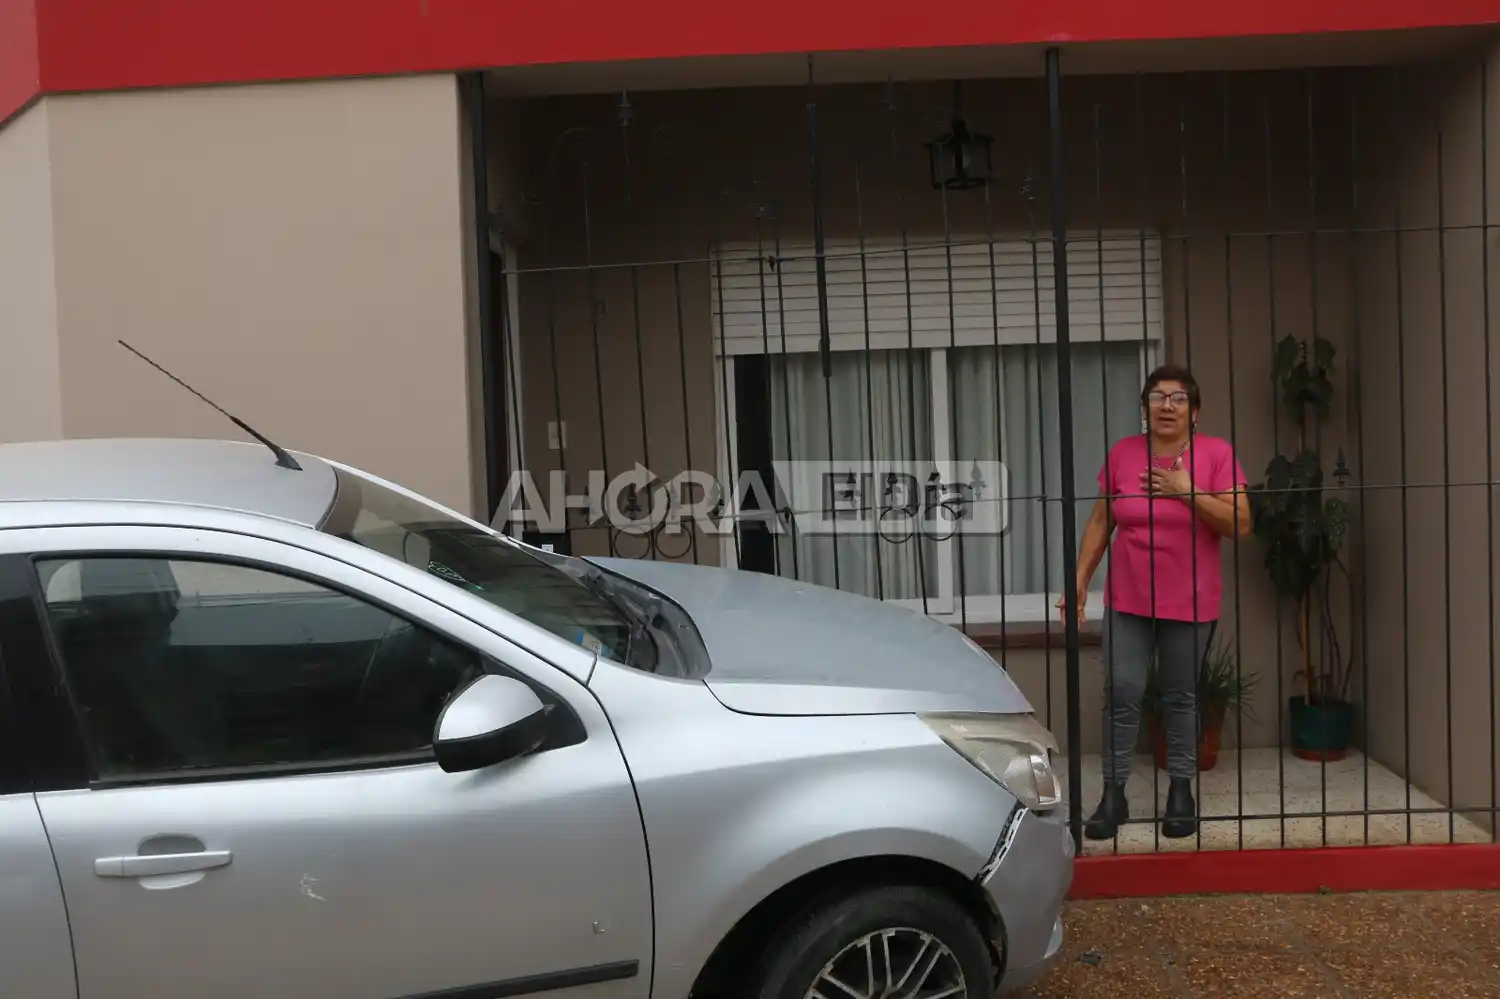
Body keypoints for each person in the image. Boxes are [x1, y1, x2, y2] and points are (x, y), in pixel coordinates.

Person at [1057, 364, 1251, 840]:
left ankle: (1181, 792)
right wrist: (1080, 580)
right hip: (1128, 600)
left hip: (1190, 601)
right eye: (1157, 396)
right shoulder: (1124, 454)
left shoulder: (1215, 455)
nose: (1167, 405)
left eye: (1178, 397)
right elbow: (1102, 521)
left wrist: (1187, 492)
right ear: (1144, 407)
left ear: (1195, 411)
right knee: (1122, 694)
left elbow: (1241, 523)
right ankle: (1113, 794)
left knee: (1180, 696)